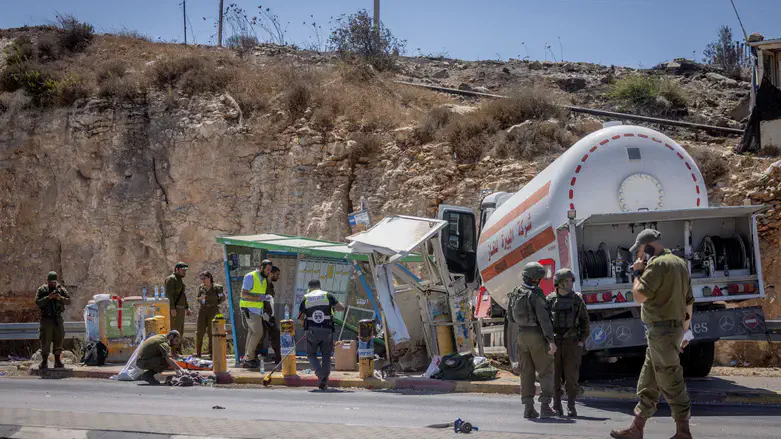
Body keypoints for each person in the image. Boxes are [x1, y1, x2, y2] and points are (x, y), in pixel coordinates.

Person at [611, 229, 694, 439]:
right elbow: (689, 301)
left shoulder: (656, 265)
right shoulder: (679, 262)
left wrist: (638, 272)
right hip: (669, 330)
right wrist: (685, 331)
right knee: (649, 381)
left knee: (670, 379)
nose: (638, 256)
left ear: (648, 246)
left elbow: (639, 296)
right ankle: (636, 428)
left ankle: (683, 432)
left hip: (662, 331)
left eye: (639, 251)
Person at [507, 262, 557, 419]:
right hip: (536, 336)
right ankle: (545, 406)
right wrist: (551, 340)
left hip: (521, 336)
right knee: (546, 370)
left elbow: (509, 317)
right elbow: (544, 320)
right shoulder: (536, 295)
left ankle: (528, 407)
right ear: (537, 278)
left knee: (526, 372)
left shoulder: (515, 292)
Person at [547, 268, 590, 417]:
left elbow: (585, 322)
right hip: (555, 344)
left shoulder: (577, 300)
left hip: (572, 344)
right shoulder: (550, 299)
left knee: (571, 377)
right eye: (568, 280)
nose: (571, 283)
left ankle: (571, 405)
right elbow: (545, 323)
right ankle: (556, 405)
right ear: (560, 283)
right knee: (554, 376)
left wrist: (581, 341)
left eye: (571, 280)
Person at [299, 279, 344, 391]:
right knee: (326, 356)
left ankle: (320, 374)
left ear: (310, 287)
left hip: (312, 331)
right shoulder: (328, 295)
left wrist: (306, 327)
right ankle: (324, 380)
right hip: (327, 330)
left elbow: (300, 317)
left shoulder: (306, 298)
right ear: (320, 287)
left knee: (311, 355)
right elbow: (341, 308)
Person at [35, 271, 71, 370]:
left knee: (59, 339)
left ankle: (57, 361)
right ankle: (44, 361)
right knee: (45, 340)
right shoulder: (42, 290)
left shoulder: (61, 290)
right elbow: (38, 302)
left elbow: (68, 301)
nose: (53, 284)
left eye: (54, 282)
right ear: (47, 281)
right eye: (51, 282)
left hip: (57, 318)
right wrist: (48, 297)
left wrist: (60, 298)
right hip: (46, 319)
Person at [240, 259, 272, 368]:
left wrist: (265, 298)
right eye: (268, 269)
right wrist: (259, 297)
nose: (269, 272)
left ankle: (248, 358)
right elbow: (244, 294)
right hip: (250, 309)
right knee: (258, 333)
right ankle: (248, 358)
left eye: (270, 270)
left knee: (252, 333)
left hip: (257, 310)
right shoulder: (250, 276)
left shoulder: (263, 279)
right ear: (261, 267)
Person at [195, 271, 225, 358]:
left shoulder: (217, 287)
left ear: (209, 278)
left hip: (213, 310)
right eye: (201, 279)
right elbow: (198, 298)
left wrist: (215, 303)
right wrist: (201, 299)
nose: (203, 280)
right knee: (200, 331)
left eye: (204, 278)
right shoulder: (201, 287)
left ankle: (212, 352)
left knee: (212, 331)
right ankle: (198, 352)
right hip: (203, 310)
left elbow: (222, 298)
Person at [258, 266, 282, 364]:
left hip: (269, 314)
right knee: (261, 336)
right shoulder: (264, 284)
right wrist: (264, 314)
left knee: (275, 334)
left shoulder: (270, 285)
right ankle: (255, 357)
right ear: (271, 273)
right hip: (263, 314)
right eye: (277, 274)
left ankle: (277, 357)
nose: (278, 277)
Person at [165, 262, 190, 355]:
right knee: (174, 331)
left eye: (185, 271)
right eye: (183, 270)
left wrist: (187, 307)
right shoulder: (171, 279)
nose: (184, 272)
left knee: (180, 331)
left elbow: (182, 295)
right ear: (177, 269)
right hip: (175, 309)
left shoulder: (179, 280)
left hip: (181, 309)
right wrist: (172, 308)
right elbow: (168, 294)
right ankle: (173, 352)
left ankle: (178, 350)